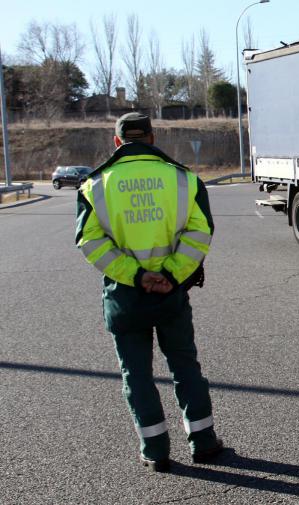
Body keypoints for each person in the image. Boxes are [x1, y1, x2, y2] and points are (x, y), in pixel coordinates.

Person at [75, 112, 223, 473]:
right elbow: (200, 234)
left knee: (137, 375)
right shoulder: (183, 179)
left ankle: (155, 450)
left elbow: (90, 242)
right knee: (185, 366)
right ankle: (203, 442)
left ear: (117, 141)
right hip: (171, 294)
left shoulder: (95, 185)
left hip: (125, 296)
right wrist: (170, 276)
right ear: (153, 137)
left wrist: (137, 276)